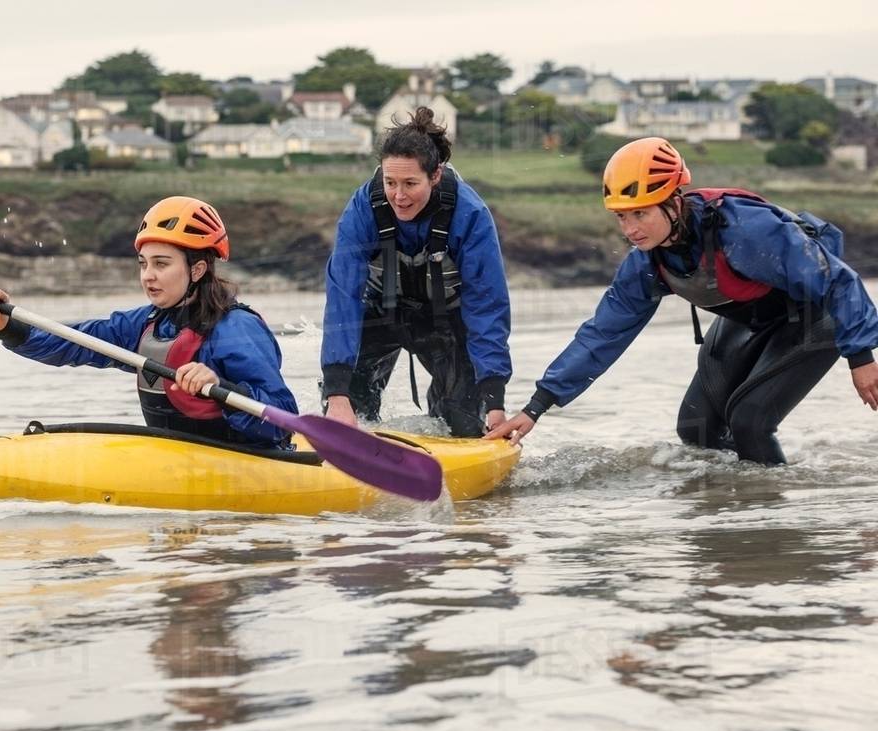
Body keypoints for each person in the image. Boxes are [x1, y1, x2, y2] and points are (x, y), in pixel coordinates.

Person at [486, 136, 878, 464]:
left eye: (639, 214)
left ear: (673, 202)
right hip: (750, 321)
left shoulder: (744, 230)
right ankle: (731, 511)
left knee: (750, 422)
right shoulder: (646, 265)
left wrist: (860, 357)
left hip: (816, 316)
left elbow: (838, 281)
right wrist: (536, 407)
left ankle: (768, 529)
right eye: (621, 217)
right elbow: (601, 336)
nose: (630, 230)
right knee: (696, 428)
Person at [0, 195, 298, 449]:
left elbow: (282, 420)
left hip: (247, 464)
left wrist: (222, 388)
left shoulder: (236, 329)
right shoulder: (144, 324)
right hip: (176, 461)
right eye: (144, 264)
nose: (148, 276)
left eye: (162, 264)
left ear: (197, 270)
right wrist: (8, 327)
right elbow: (72, 342)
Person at [320, 106, 512, 437]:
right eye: (390, 181)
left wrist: (494, 400)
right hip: (378, 314)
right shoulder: (362, 209)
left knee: (464, 423)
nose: (398, 195)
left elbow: (487, 306)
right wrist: (337, 392)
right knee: (347, 408)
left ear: (435, 175)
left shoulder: (471, 214)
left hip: (446, 322)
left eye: (410, 183)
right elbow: (343, 298)